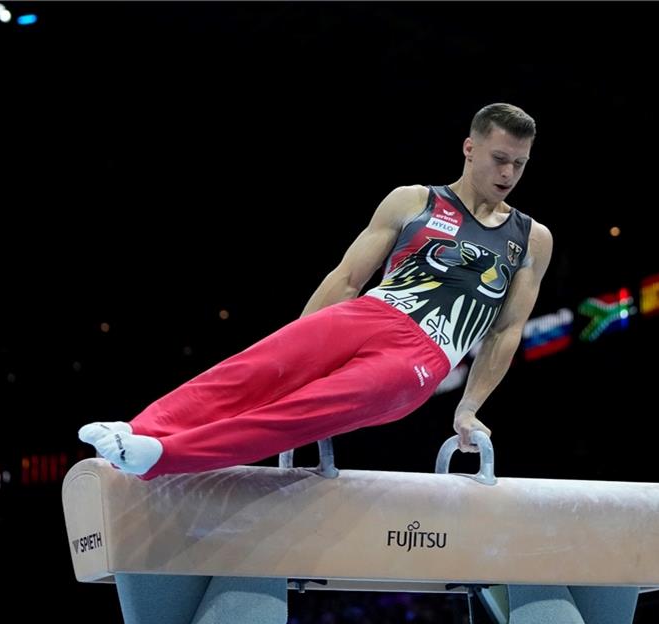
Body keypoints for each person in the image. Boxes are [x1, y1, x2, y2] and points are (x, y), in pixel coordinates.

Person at [79, 102, 553, 479]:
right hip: (369, 313)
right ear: (469, 148)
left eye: (520, 163)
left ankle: (161, 455)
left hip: (423, 354)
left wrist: (468, 409)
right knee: (258, 368)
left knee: (301, 411)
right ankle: (139, 429)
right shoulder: (414, 200)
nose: (509, 173)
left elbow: (505, 332)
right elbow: (346, 280)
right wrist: (297, 353)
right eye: (499, 159)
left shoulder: (529, 238)